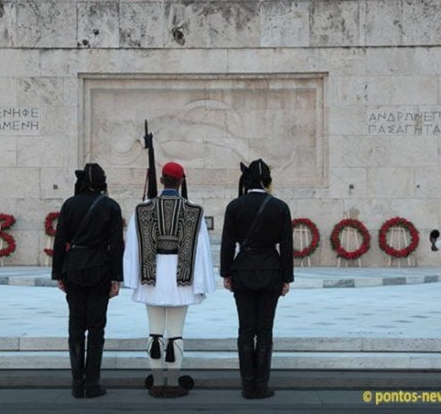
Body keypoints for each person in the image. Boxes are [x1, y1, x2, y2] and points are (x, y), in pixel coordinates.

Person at [123, 162, 215, 398]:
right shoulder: (194, 210)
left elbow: (133, 247)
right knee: (175, 333)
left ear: (162, 181)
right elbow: (202, 250)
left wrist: (132, 278)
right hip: (180, 279)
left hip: (151, 277)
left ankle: (156, 382)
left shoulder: (142, 209)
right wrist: (202, 282)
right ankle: (173, 383)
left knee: (154, 332)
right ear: (181, 181)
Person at [220, 159, 293, 399]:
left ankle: (246, 384)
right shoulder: (280, 207)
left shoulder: (235, 206)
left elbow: (228, 243)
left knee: (245, 330)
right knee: (264, 330)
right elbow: (286, 246)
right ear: (266, 182)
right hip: (271, 271)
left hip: (243, 272)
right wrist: (287, 277)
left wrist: (226, 273)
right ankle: (261, 385)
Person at [52, 163, 124, 399]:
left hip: (73, 267)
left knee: (75, 324)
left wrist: (58, 274)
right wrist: (116, 277)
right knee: (96, 326)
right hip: (100, 268)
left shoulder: (70, 204)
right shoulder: (111, 206)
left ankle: (76, 384)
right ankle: (92, 383)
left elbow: (60, 239)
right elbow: (116, 245)